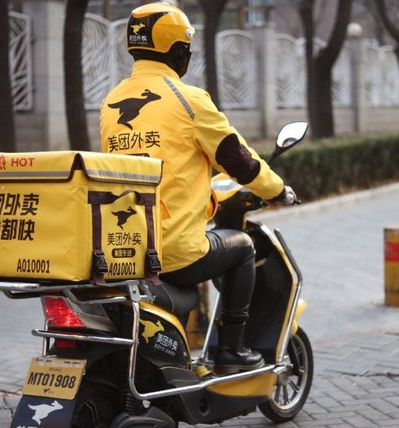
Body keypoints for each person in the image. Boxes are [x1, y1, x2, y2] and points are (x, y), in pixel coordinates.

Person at [100, 1, 296, 373]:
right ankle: (233, 351)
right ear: (177, 52)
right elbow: (239, 160)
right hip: (173, 250)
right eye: (185, 50)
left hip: (128, 245)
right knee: (241, 248)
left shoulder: (110, 102)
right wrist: (278, 190)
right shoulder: (189, 101)